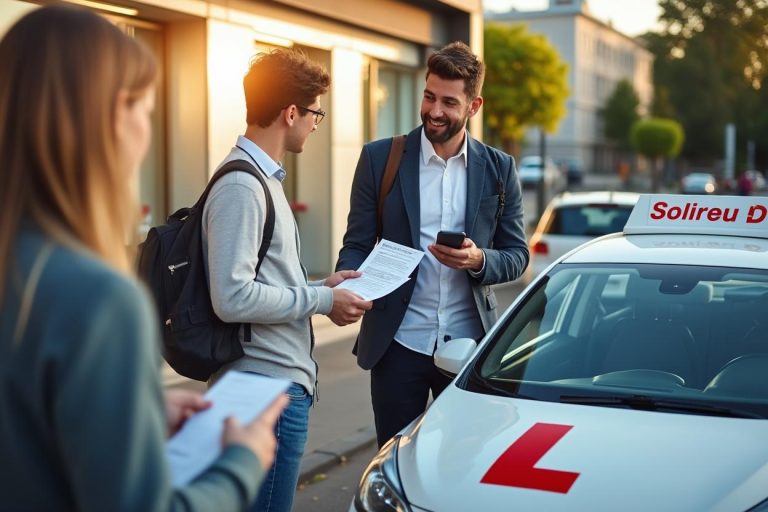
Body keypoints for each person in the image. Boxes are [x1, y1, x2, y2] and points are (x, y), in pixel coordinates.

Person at [0, 5, 288, 511]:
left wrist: (137, 410)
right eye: (147, 111)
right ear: (115, 116)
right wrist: (241, 462)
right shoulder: (98, 298)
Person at [202, 49, 372, 512]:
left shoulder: (263, 179)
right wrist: (323, 301)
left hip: (267, 387)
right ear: (291, 113)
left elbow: (260, 281)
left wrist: (323, 287)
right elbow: (231, 297)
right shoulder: (242, 186)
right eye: (316, 113)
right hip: (264, 390)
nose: (317, 124)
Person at [336, 41, 530, 447]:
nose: (434, 111)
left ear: (474, 106)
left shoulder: (499, 169)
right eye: (429, 96)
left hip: (469, 347)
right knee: (394, 457)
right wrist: (347, 284)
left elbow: (517, 256)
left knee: (462, 459)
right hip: (396, 343)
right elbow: (357, 242)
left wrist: (478, 259)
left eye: (448, 102)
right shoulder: (379, 158)